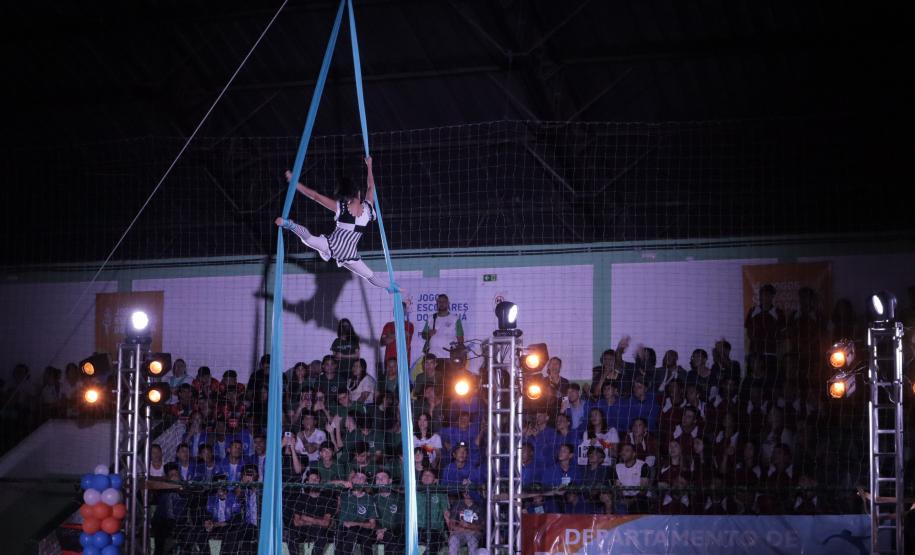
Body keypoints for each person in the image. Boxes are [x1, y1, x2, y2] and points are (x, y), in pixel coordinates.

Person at [276, 157, 398, 292]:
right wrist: (369, 165)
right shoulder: (368, 209)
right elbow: (371, 186)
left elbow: (315, 196)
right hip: (349, 253)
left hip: (332, 245)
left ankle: (289, 225)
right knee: (370, 275)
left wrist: (294, 182)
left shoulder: (342, 208)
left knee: (309, 239)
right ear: (358, 193)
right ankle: (391, 288)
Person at [288, 470, 335, 555]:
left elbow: (326, 523)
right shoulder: (301, 498)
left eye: (316, 479)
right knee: (291, 535)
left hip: (318, 529)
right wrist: (316, 522)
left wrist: (307, 519)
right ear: (307, 482)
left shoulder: (327, 499)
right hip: (304, 528)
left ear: (320, 481)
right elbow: (296, 522)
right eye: (312, 479)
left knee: (322, 537)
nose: (314, 481)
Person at [335, 470, 379, 553]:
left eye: (362, 478)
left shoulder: (370, 499)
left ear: (365, 483)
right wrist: (343, 482)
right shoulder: (343, 494)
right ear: (352, 479)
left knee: (364, 536)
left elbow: (372, 525)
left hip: (362, 529)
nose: (358, 479)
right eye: (356, 477)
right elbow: (327, 484)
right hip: (344, 529)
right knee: (344, 534)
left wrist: (355, 524)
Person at [421, 294, 465, 369]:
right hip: (433, 356)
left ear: (448, 303)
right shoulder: (431, 318)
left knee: (450, 376)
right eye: (439, 302)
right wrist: (429, 334)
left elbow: (460, 339)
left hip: (449, 357)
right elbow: (423, 335)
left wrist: (459, 354)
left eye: (444, 302)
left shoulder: (455, 318)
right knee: (434, 376)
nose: (441, 304)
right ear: (437, 304)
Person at [416, 468, 449, 554]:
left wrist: (451, 531)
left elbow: (446, 513)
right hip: (417, 529)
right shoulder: (415, 492)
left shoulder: (440, 493)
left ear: (435, 480)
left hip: (435, 530)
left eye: (430, 475)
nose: (426, 477)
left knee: (433, 546)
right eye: (424, 475)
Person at [372, 469, 404, 553]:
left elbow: (401, 521)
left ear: (390, 481)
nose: (380, 480)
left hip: (396, 532)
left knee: (391, 538)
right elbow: (372, 519)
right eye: (377, 478)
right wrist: (379, 530)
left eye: (383, 477)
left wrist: (385, 530)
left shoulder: (399, 498)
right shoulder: (373, 498)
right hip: (377, 531)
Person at [446, 488, 485, 555]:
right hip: (460, 532)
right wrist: (460, 528)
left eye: (469, 492)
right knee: (453, 539)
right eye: (465, 491)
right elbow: (451, 524)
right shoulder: (458, 504)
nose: (466, 493)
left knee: (472, 539)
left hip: (474, 533)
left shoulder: (479, 505)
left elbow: (482, 526)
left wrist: (468, 526)